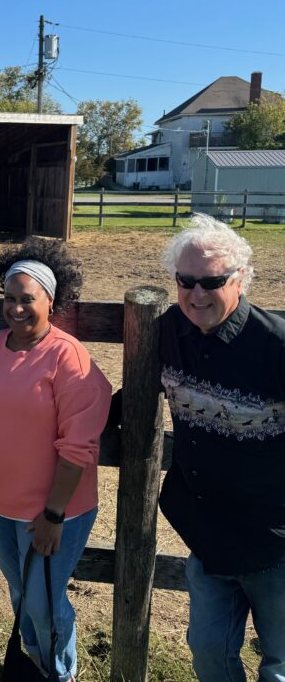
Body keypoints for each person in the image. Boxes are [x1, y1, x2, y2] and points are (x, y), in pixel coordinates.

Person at [0, 238, 112, 682]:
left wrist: (54, 515)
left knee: (43, 602)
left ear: (52, 301)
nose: (16, 308)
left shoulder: (69, 359)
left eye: (28, 299)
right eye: (9, 298)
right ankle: (34, 664)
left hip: (52, 509)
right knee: (23, 593)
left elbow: (78, 446)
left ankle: (60, 672)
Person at [158, 213, 285, 682]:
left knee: (279, 666)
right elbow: (131, 397)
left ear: (242, 279)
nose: (196, 294)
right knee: (209, 656)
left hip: (274, 541)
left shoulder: (275, 346)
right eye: (186, 281)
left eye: (211, 281)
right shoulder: (171, 329)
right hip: (207, 533)